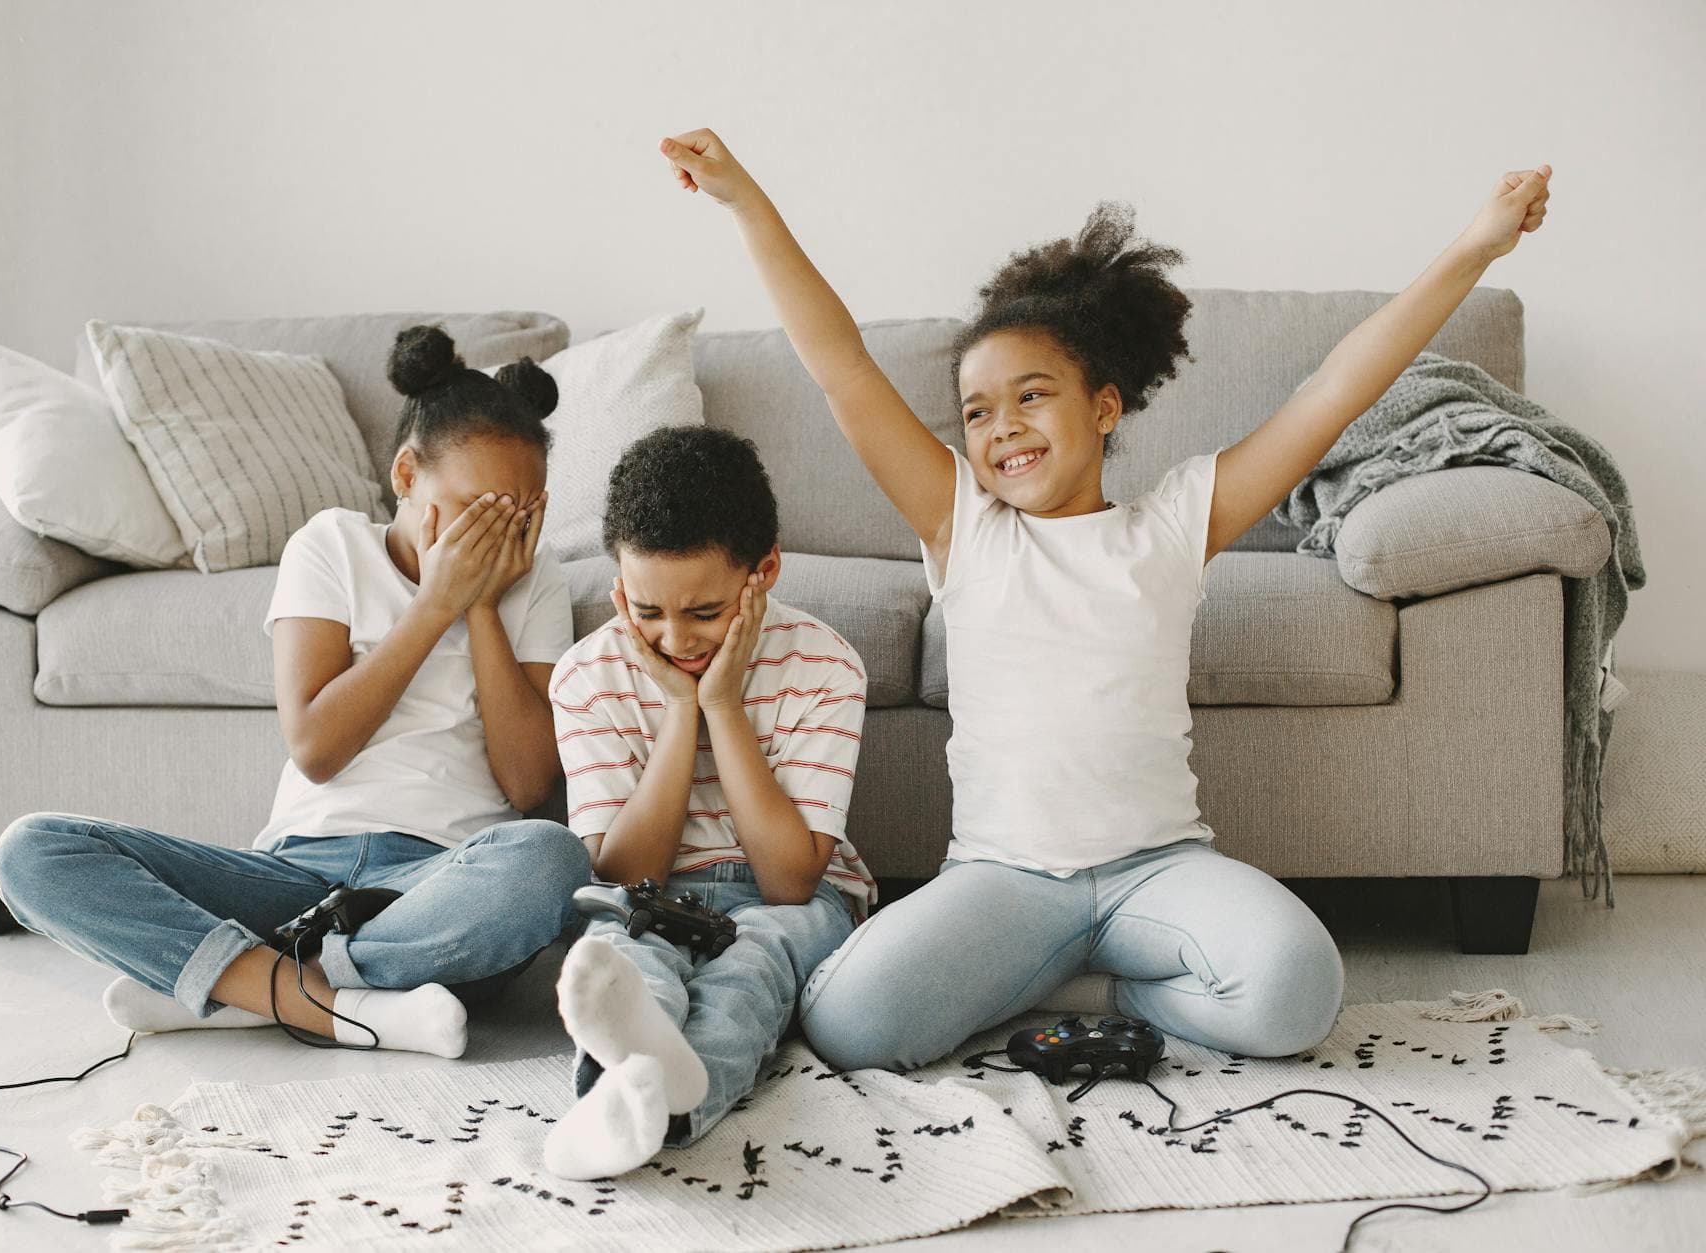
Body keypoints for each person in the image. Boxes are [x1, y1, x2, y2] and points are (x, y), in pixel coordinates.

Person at [657, 126, 1551, 1071]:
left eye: (1032, 396)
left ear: (1105, 406)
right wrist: (745, 201)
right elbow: (840, 366)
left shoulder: (1171, 525)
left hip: (1159, 872)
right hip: (1004, 879)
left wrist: (1474, 246)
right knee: (851, 1026)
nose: (1003, 428)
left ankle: (1090, 991)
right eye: (977, 411)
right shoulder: (964, 525)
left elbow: (1334, 392)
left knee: (1299, 992)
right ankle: (1036, 969)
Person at [0, 325, 591, 1058]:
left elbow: (530, 781)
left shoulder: (540, 580)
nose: (496, 538)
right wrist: (435, 604)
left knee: (551, 860)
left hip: (436, 882)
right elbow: (316, 747)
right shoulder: (332, 544)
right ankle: (324, 997)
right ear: (406, 474)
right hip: (295, 872)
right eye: (478, 510)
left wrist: (483, 606)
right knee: (32, 851)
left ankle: (251, 987)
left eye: (520, 516)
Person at [542, 425, 874, 1179]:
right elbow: (625, 869)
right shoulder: (586, 675)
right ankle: (636, 1083)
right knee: (630, 958)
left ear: (764, 574)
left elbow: (790, 881)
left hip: (790, 895)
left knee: (750, 965)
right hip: (652, 889)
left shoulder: (827, 664)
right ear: (619, 586)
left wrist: (720, 706)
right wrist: (678, 711)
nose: (672, 638)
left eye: (704, 612)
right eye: (646, 609)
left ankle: (674, 1098)